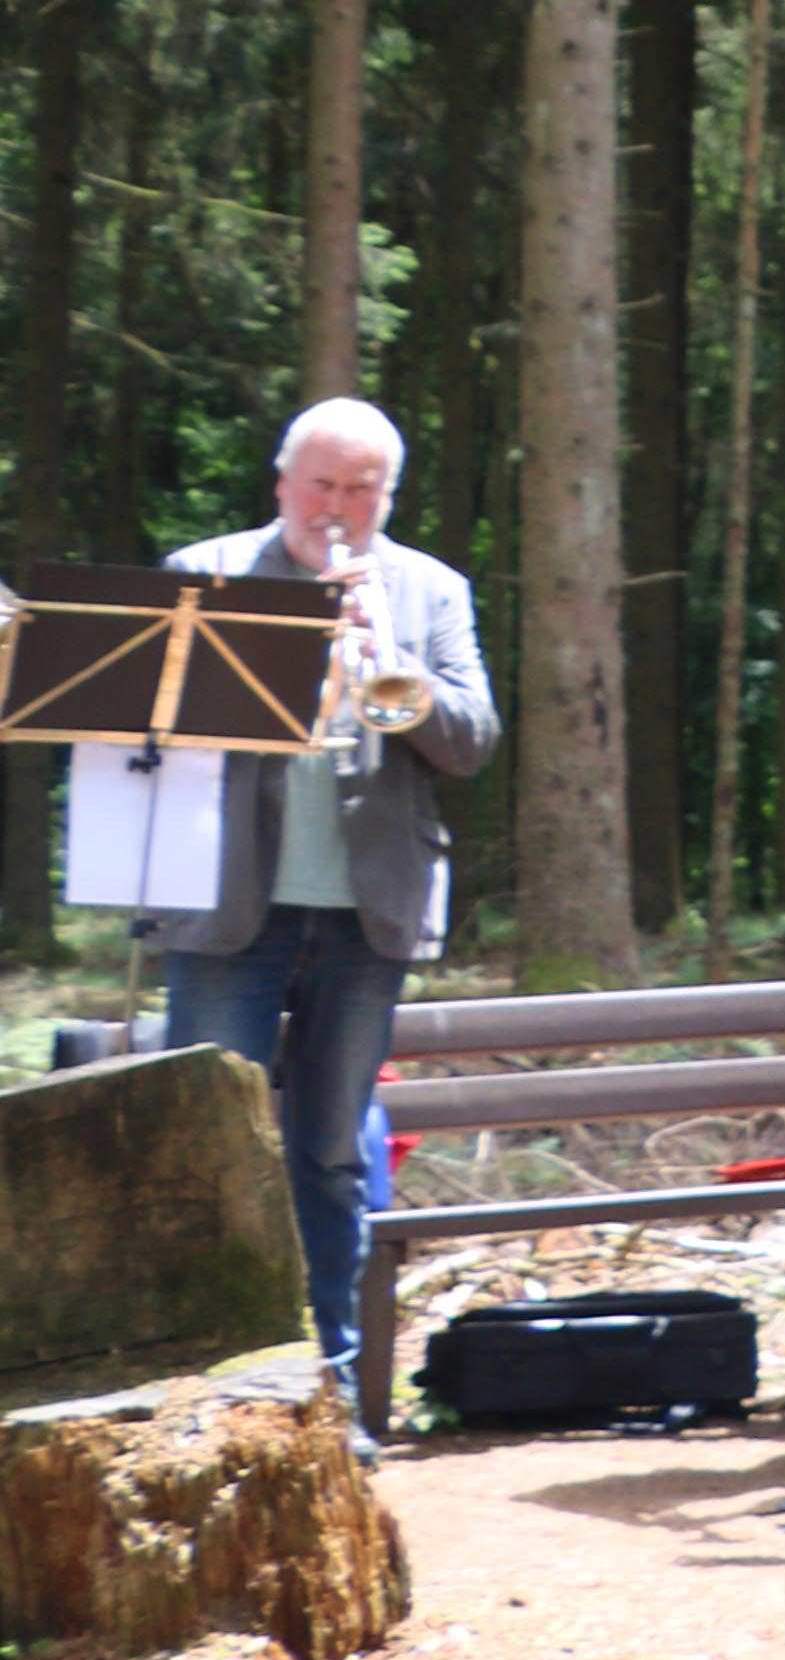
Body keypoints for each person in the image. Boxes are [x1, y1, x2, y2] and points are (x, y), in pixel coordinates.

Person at [150, 398, 493, 1434]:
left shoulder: (427, 590)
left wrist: (385, 658)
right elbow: (143, 729)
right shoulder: (203, 572)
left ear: (387, 497)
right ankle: (210, 1391)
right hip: (226, 911)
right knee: (212, 1152)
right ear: (280, 481)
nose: (339, 507)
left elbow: (469, 740)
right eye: (322, 483)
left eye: (363, 490)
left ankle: (330, 1395)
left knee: (332, 1154)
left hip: (361, 914)